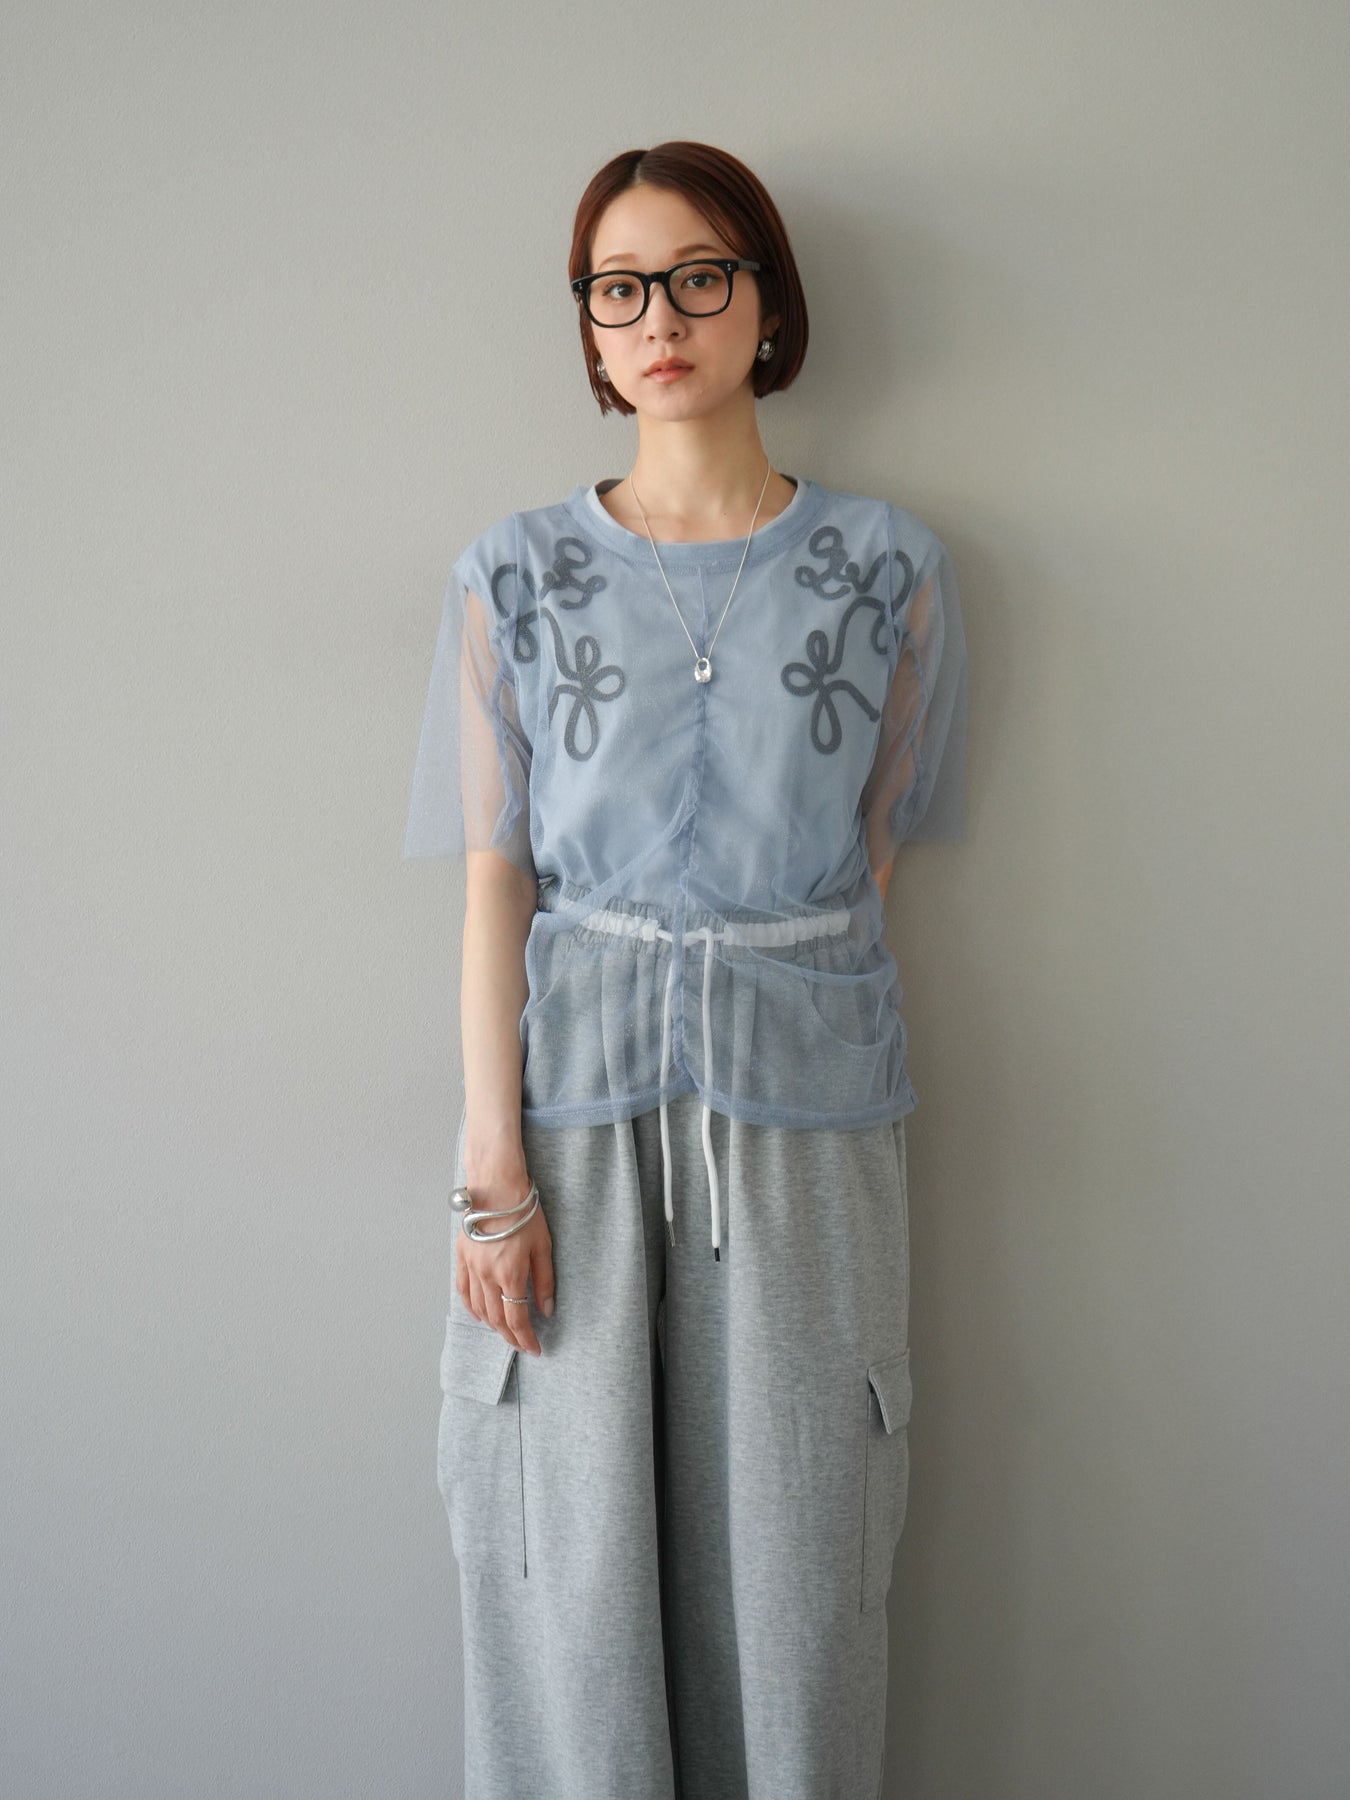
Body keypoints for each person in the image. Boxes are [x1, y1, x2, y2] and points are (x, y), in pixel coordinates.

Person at [405, 139, 968, 1800]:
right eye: (618, 288)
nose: (658, 317)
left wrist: (750, 983)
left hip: (803, 1120)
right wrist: (489, 1167)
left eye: (697, 276)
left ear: (764, 301)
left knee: (799, 1563)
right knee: (565, 1568)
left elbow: (868, 859)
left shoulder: (890, 569)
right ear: (588, 327)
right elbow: (497, 879)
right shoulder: (512, 575)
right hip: (570, 1121)